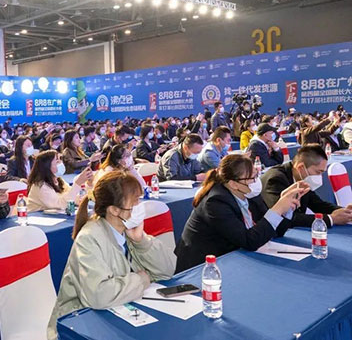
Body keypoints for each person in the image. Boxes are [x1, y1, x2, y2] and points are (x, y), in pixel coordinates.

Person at [47, 171, 176, 338]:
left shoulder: (127, 230)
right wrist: (141, 280)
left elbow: (167, 270)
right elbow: (99, 295)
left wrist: (141, 242)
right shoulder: (89, 238)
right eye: (135, 201)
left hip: (119, 310)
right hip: (79, 324)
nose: (140, 206)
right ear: (114, 210)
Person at [174, 154, 308, 273]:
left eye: (256, 175)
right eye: (252, 178)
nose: (256, 181)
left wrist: (287, 207)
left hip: (234, 258)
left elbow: (275, 231)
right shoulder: (215, 202)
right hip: (203, 267)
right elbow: (249, 241)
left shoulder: (250, 193)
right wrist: (277, 209)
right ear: (234, 184)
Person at [261, 144, 352, 228]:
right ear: (301, 168)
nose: (320, 177)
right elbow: (284, 217)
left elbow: (317, 204)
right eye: (318, 172)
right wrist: (331, 219)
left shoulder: (302, 179)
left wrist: (346, 212)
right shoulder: (275, 179)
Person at [26, 150, 93, 212]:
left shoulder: (59, 181)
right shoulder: (40, 185)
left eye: (60, 160)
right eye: (57, 162)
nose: (61, 163)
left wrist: (89, 184)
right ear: (47, 166)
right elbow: (61, 204)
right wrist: (77, 183)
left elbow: (72, 197)